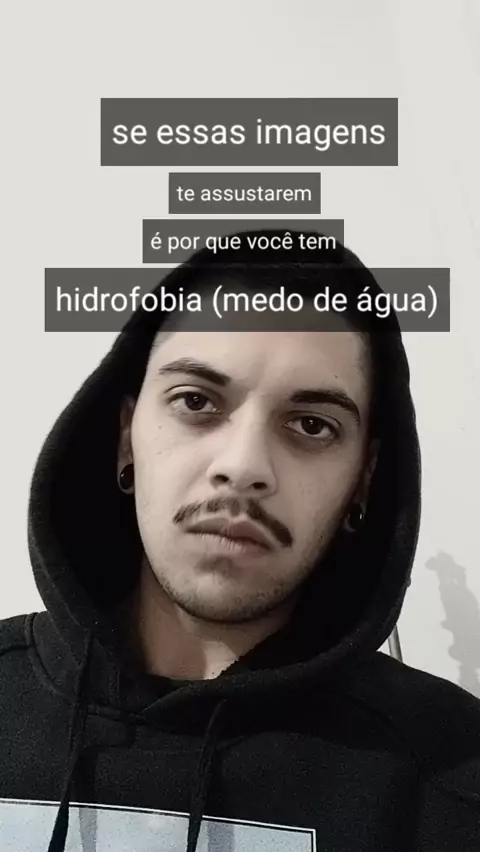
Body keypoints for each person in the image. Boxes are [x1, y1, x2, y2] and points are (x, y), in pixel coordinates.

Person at [0, 232, 479, 852]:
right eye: (195, 401)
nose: (244, 465)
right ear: (126, 436)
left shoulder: (452, 776)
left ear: (363, 480)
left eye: (312, 425)